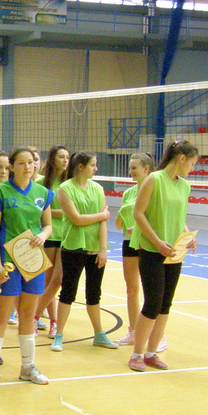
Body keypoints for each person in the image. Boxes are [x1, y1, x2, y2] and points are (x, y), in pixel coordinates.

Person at [0, 146, 53, 389]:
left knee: (27, 313)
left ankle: (28, 366)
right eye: (21, 163)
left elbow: (48, 225)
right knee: (2, 314)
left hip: (33, 260)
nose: (27, 167)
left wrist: (43, 235)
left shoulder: (42, 192)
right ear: (12, 167)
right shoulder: (1, 191)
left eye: (31, 162)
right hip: (9, 261)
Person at [127, 140, 199, 372]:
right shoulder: (154, 179)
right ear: (181, 158)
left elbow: (179, 217)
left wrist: (187, 236)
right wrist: (157, 242)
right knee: (153, 302)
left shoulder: (184, 185)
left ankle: (151, 353)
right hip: (152, 250)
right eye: (192, 163)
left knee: (166, 304)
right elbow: (139, 214)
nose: (192, 168)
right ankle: (137, 354)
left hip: (174, 253)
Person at [50, 151, 117, 352]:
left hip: (95, 248)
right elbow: (77, 219)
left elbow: (104, 222)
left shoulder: (98, 189)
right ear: (81, 166)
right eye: (93, 165)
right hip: (73, 247)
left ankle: (99, 334)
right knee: (68, 292)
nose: (96, 168)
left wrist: (103, 249)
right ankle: (59, 335)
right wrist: (101, 215)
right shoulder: (65, 189)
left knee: (94, 293)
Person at [114, 152, 159, 346]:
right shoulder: (128, 193)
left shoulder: (156, 190)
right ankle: (133, 331)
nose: (130, 171)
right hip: (129, 242)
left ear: (146, 169)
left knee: (153, 293)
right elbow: (119, 224)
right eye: (130, 167)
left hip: (149, 242)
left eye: (134, 168)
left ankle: (157, 335)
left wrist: (140, 227)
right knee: (131, 289)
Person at [35, 145, 69, 338]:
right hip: (47, 235)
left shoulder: (69, 183)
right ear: (53, 159)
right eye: (61, 157)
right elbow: (40, 210)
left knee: (57, 281)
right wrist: (66, 213)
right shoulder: (42, 183)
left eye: (67, 157)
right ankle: (51, 321)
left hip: (65, 236)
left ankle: (38, 317)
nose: (65, 160)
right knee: (47, 281)